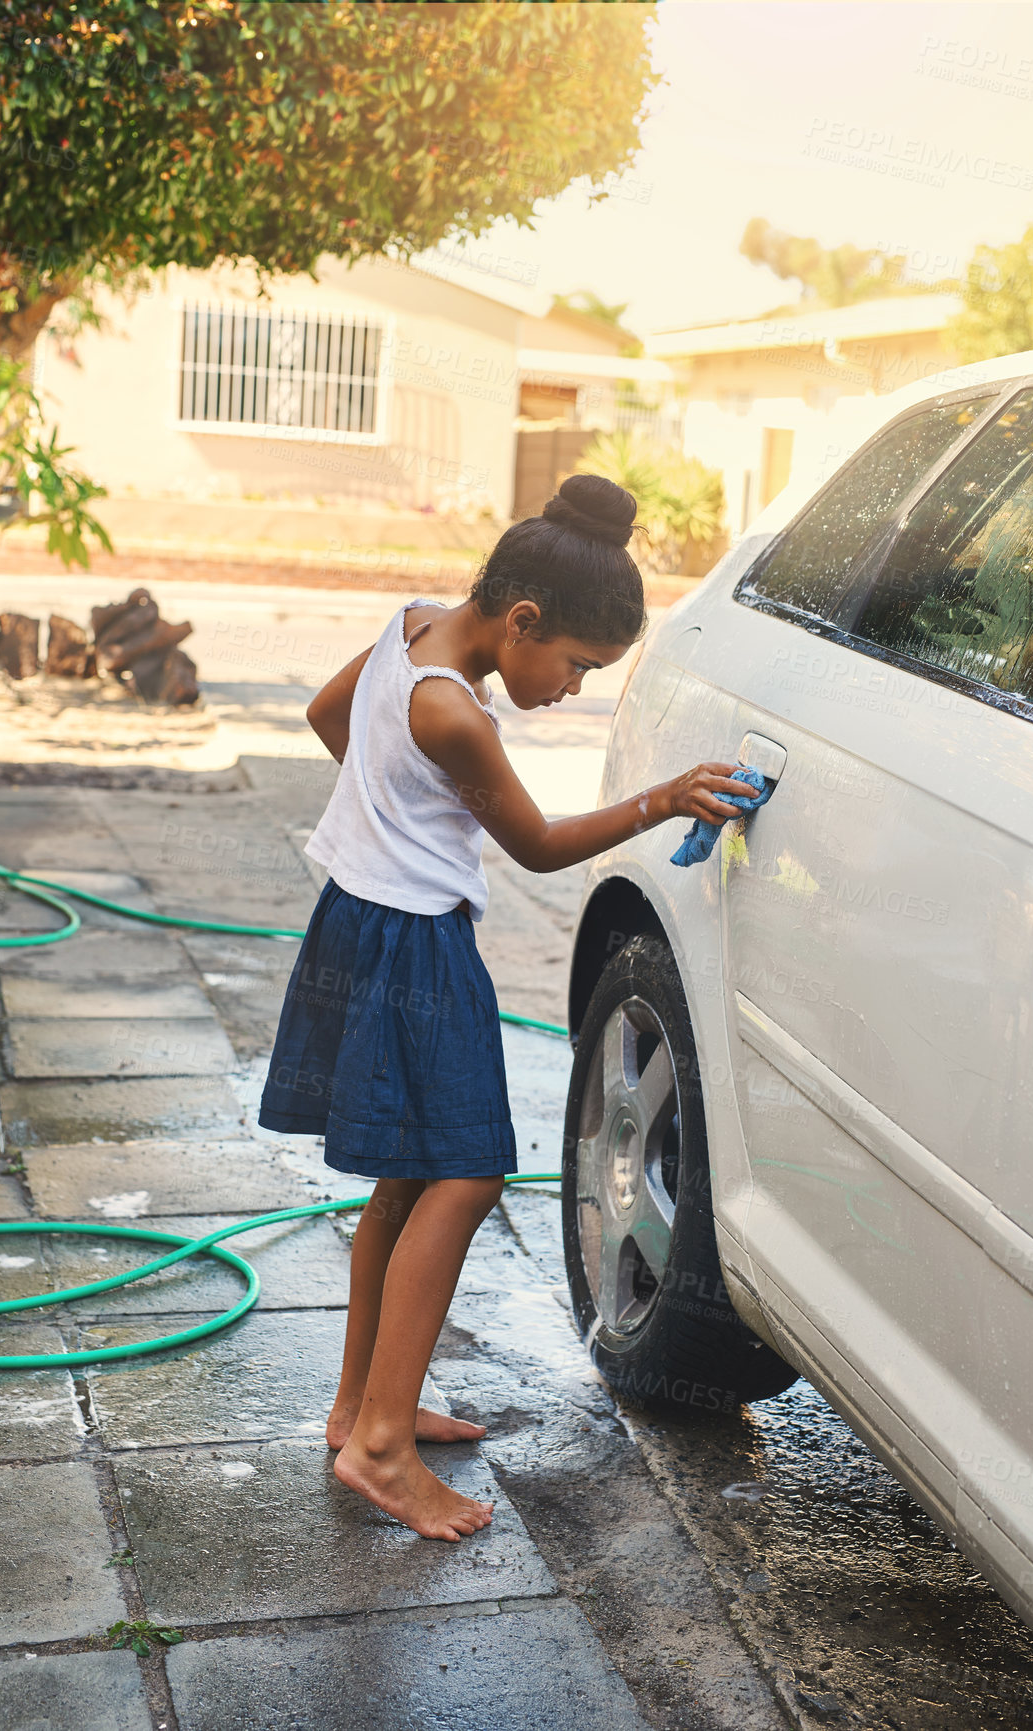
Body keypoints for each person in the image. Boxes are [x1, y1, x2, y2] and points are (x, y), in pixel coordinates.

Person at [257, 473, 755, 1542]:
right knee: (471, 1170)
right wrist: (659, 799)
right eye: (576, 665)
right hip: (415, 947)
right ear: (525, 621)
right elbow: (534, 846)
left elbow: (326, 715)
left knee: (409, 1175)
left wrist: (388, 808)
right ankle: (383, 1449)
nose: (571, 688)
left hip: (359, 918)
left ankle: (359, 1407)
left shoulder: (412, 628)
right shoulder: (455, 713)